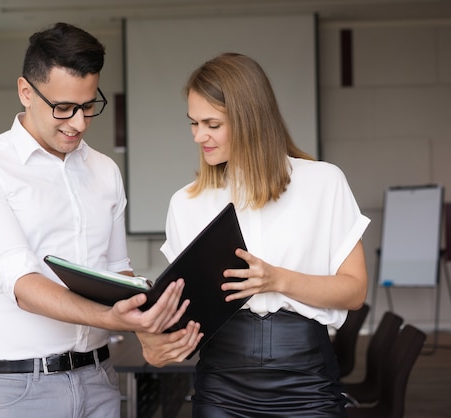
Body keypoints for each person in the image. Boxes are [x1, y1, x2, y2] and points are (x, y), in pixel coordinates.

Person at [0, 22, 187, 418]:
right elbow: (23, 285)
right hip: (14, 387)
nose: (77, 122)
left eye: (88, 105)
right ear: (26, 91)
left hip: (98, 379)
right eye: (63, 108)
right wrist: (110, 318)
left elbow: (115, 270)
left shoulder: (104, 170)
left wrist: (148, 312)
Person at [136, 52, 370, 417]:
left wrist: (276, 279)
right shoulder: (185, 202)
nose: (199, 136)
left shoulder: (324, 182)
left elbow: (355, 292)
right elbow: (183, 307)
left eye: (212, 124)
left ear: (248, 119)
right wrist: (153, 338)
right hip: (220, 383)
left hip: (308, 382)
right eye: (193, 123)